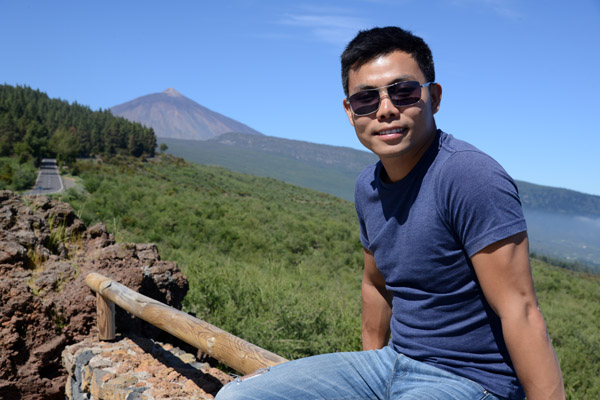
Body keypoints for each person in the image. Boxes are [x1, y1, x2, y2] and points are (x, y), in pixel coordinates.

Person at [215, 26, 564, 400]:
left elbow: (522, 310)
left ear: (434, 96)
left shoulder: (468, 176)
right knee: (237, 396)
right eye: (366, 99)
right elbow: (375, 284)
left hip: (468, 380)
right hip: (391, 364)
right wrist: (370, 370)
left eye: (404, 92)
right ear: (350, 112)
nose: (386, 110)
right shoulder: (368, 186)